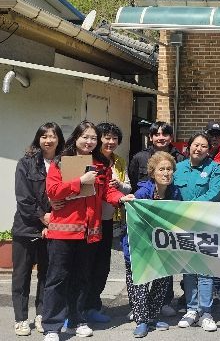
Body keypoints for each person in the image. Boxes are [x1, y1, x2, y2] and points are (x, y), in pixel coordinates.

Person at [42, 120, 134, 341]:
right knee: (57, 279)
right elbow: (53, 191)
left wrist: (121, 198)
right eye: (85, 137)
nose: (89, 141)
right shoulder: (61, 161)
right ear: (76, 138)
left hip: (89, 232)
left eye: (93, 138)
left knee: (82, 278)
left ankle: (78, 320)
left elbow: (106, 193)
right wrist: (80, 180)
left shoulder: (101, 164)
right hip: (63, 232)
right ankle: (52, 326)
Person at [126, 121, 185, 317]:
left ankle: (154, 311)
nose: (166, 173)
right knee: (140, 279)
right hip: (141, 243)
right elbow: (135, 190)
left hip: (162, 242)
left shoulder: (175, 192)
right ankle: (141, 314)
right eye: (161, 170)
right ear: (152, 173)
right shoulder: (143, 191)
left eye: (169, 169)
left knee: (162, 278)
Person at [12, 123, 65, 337]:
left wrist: (52, 222)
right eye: (44, 136)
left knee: (47, 274)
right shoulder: (26, 163)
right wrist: (44, 218)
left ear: (59, 139)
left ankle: (42, 314)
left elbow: (68, 194)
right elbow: (23, 198)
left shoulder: (63, 163)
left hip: (53, 227)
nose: (48, 140)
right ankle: (21, 319)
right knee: (21, 274)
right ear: (38, 139)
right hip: (26, 227)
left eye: (52, 136)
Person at [173, 132, 220, 332]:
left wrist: (192, 207)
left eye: (204, 146)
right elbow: (172, 193)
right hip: (183, 224)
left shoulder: (214, 168)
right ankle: (191, 310)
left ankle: (206, 312)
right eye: (196, 145)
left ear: (208, 150)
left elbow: (215, 192)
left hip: (205, 224)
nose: (199, 149)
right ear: (189, 147)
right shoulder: (178, 168)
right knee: (188, 269)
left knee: (205, 269)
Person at [83, 123, 132, 324]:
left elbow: (119, 188)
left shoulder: (116, 162)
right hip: (86, 221)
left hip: (108, 220)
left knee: (101, 266)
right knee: (84, 266)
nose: (110, 142)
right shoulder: (86, 160)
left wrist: (120, 191)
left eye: (114, 138)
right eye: (106, 137)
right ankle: (76, 309)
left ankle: (92, 306)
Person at [127, 121, 185, 193]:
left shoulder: (180, 159)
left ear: (171, 137)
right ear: (151, 137)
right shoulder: (139, 157)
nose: (161, 138)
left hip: (172, 198)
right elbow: (132, 182)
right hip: (144, 198)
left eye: (165, 134)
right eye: (157, 135)